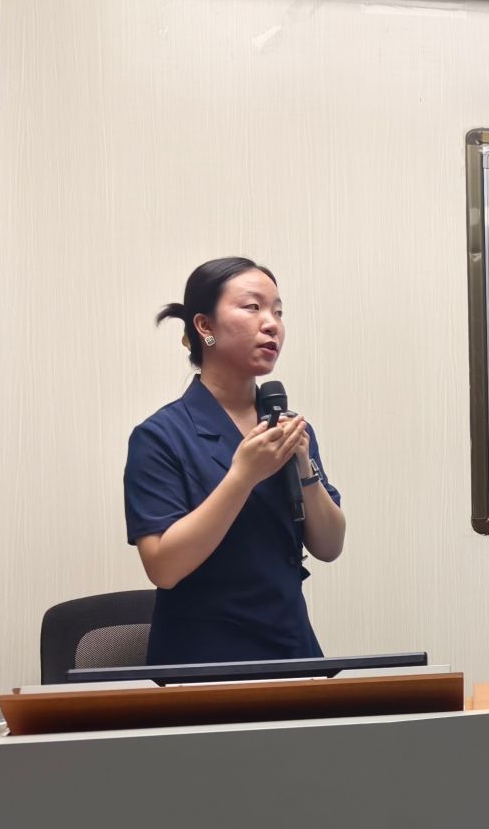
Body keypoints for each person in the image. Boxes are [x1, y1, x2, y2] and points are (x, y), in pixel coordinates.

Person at [124, 257, 347, 664]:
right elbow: (163, 568)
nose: (272, 324)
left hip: (292, 650)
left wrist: (305, 469)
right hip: (201, 662)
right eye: (253, 307)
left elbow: (330, 546)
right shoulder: (159, 437)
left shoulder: (289, 428)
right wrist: (242, 476)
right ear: (204, 326)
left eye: (278, 311)